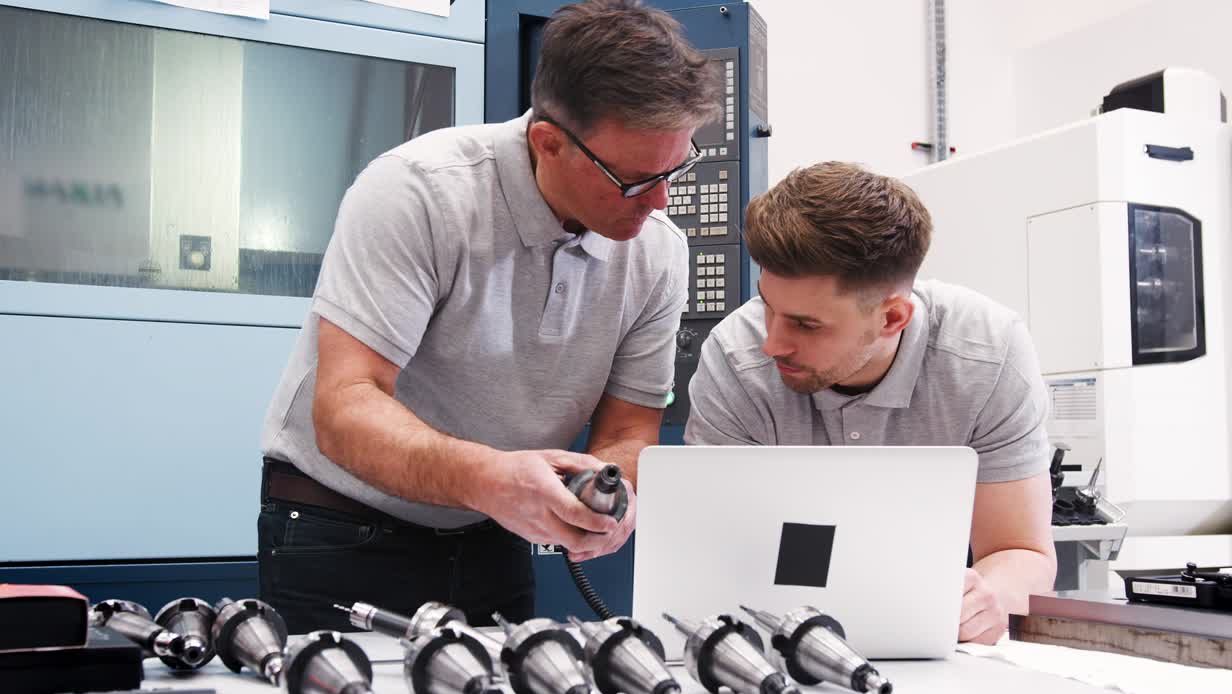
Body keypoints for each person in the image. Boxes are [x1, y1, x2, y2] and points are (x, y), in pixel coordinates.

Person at [257, 0, 720, 631]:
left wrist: (616, 492)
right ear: (548, 142)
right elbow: (345, 407)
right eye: (635, 179)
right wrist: (490, 478)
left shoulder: (658, 250)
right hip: (344, 526)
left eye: (676, 169)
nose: (661, 201)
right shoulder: (419, 192)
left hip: (492, 527)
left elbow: (631, 431)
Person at [685, 161, 1057, 644]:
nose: (772, 343)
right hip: (774, 644)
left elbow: (1021, 551)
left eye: (806, 324)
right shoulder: (735, 358)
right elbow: (708, 556)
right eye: (768, 306)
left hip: (933, 650)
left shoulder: (987, 355)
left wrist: (985, 601)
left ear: (892, 317)